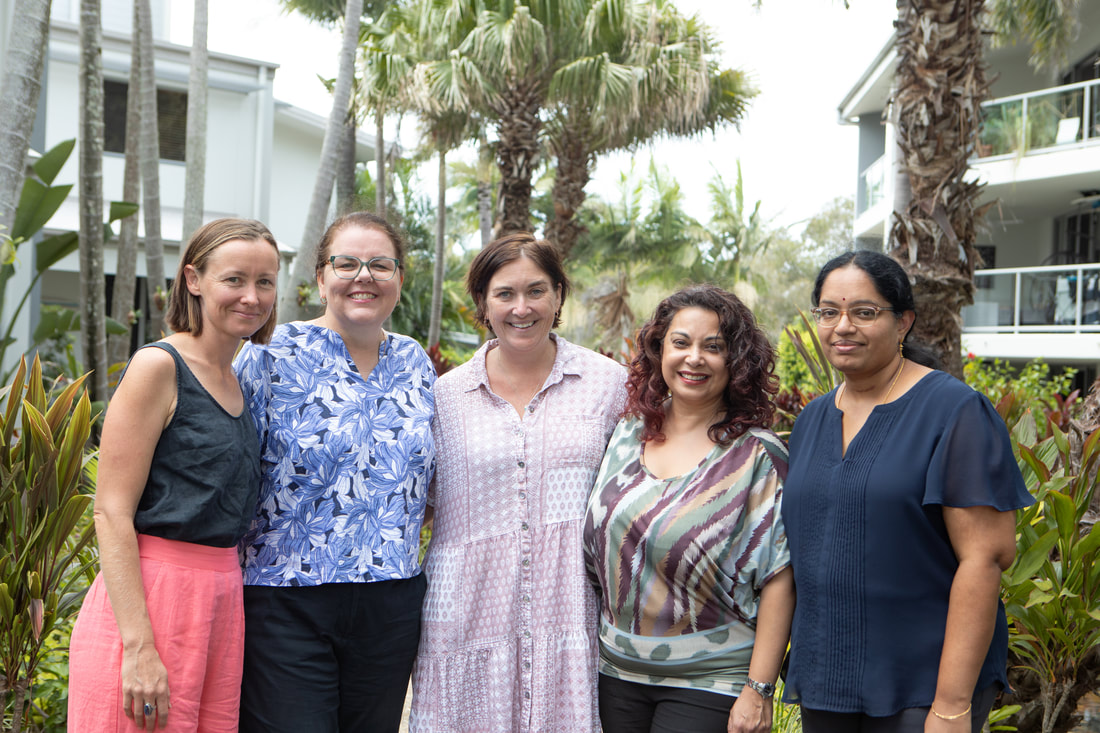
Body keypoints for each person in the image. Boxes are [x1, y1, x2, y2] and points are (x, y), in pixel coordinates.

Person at [782, 250, 1034, 733]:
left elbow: (983, 559)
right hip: (827, 679)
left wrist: (952, 705)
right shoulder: (812, 419)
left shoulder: (955, 412)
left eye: (864, 312)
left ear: (904, 323)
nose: (843, 326)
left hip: (924, 685)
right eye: (829, 311)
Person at [67, 218, 281, 732]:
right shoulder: (158, 367)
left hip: (220, 603)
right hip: (153, 599)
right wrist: (139, 646)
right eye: (234, 279)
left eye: (265, 282)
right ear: (194, 280)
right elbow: (111, 510)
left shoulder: (239, 378)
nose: (251, 296)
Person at [409, 232, 627, 732]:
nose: (521, 307)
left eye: (536, 290)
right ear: (483, 304)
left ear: (558, 296)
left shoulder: (608, 385)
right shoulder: (443, 397)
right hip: (465, 614)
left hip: (570, 613)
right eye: (504, 293)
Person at [233, 212, 435, 733]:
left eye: (380, 264)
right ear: (321, 278)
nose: (363, 275)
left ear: (399, 280)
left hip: (390, 601)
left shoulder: (415, 362)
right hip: (285, 597)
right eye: (346, 263)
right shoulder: (268, 354)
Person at [583, 284, 794, 733]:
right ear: (660, 351)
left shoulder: (757, 457)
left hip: (711, 682)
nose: (693, 358)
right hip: (616, 674)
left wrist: (759, 689)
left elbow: (780, 578)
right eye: (680, 343)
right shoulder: (625, 436)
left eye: (712, 347)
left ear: (735, 361)